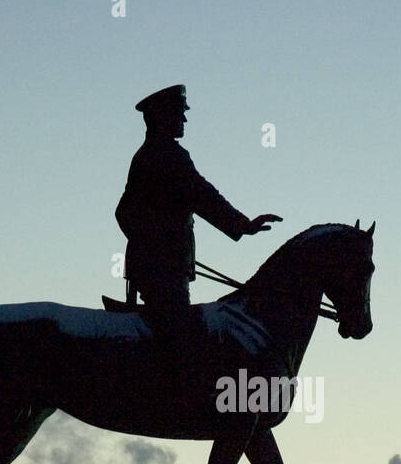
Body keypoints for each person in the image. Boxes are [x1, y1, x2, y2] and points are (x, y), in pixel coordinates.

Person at [115, 85, 280, 352]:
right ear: (162, 118)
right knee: (182, 339)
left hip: (158, 267)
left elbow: (124, 212)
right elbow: (203, 196)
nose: (184, 120)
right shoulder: (168, 155)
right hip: (163, 271)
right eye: (179, 114)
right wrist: (242, 225)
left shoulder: (148, 155)